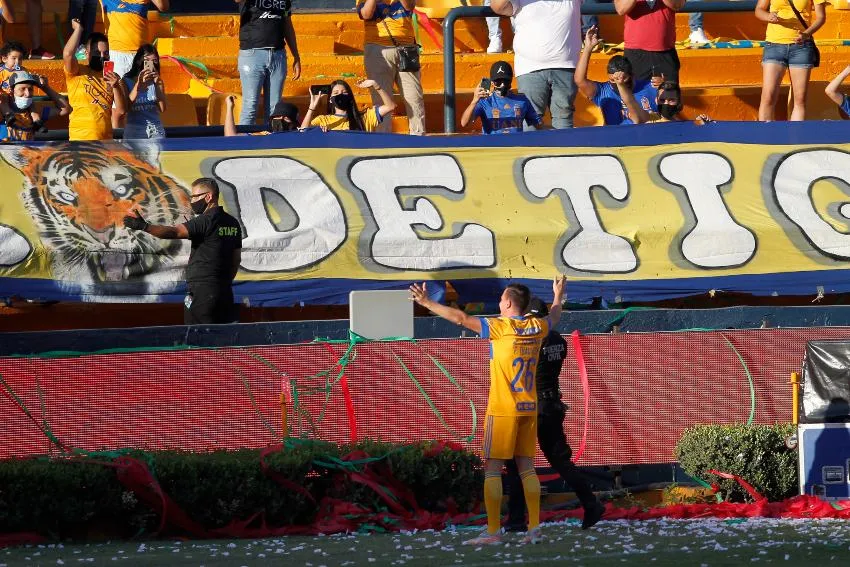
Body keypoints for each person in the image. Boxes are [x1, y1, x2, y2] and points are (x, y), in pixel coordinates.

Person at [409, 277, 568, 545]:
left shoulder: (499, 327)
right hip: (529, 408)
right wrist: (558, 295)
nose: (498, 303)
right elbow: (554, 315)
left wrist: (427, 303)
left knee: (493, 468)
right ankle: (534, 529)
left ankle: (493, 531)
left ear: (507, 303)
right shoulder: (537, 326)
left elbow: (460, 318)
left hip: (503, 409)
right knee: (527, 467)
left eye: (500, 299)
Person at [503, 297, 605, 532]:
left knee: (517, 465)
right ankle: (591, 504)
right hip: (551, 406)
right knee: (561, 461)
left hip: (530, 407)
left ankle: (517, 519)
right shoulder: (558, 339)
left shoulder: (527, 338)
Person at [123, 178, 243, 325]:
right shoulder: (233, 223)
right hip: (224, 291)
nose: (192, 201)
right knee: (223, 338)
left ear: (209, 196)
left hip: (202, 291)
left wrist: (143, 226)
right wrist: (223, 283)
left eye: (195, 196)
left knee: (197, 339)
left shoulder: (206, 220)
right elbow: (236, 259)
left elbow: (174, 232)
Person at [489, 0, 582, 129]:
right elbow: (497, 6)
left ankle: (563, 149)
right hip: (530, 67)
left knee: (564, 116)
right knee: (530, 119)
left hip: (565, 65)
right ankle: (531, 150)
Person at [356, 0, 425, 135]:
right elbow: (366, 14)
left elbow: (409, 6)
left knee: (415, 98)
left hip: (406, 49)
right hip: (377, 49)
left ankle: (419, 137)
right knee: (381, 99)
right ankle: (383, 141)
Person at [100, 0, 169, 128]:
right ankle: (118, 145)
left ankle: (145, 135)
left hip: (142, 56)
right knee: (118, 110)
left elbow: (163, 6)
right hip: (116, 55)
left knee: (148, 99)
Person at [756, 0, 825, 121]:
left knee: (799, 99)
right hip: (774, 44)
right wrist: (768, 16)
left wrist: (806, 34)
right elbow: (759, 10)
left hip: (801, 46)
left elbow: (821, 17)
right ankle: (765, 137)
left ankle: (796, 137)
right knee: (768, 96)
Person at [235, 0, 301, 126]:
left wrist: (296, 56)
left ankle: (271, 143)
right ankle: (243, 144)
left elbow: (287, 24)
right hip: (252, 53)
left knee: (275, 109)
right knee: (250, 106)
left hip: (278, 54)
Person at [575, 27, 656, 125]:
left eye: (623, 78)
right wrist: (588, 48)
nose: (618, 82)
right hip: (615, 136)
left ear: (632, 75)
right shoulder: (603, 91)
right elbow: (579, 80)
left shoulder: (652, 86)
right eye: (613, 80)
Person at [63, 20, 126, 141]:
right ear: (87, 53)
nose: (102, 57)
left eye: (106, 53)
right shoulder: (77, 72)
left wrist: (116, 86)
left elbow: (121, 111)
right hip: (80, 139)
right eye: (97, 52)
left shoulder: (114, 77)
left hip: (106, 142)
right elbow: (67, 54)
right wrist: (78, 30)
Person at [460, 60, 541, 134]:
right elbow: (464, 123)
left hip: (516, 147)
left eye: (505, 81)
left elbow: (538, 125)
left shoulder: (522, 100)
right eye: (498, 81)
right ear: (492, 82)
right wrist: (474, 101)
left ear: (511, 80)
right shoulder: (485, 102)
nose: (502, 85)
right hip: (492, 147)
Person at [614, 0, 685, 83]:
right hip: (635, 53)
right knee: (636, 94)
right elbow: (621, 9)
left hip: (665, 52)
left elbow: (677, 5)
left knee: (669, 94)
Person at [300, 79, 396, 132]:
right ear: (330, 99)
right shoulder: (323, 120)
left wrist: (376, 85)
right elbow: (302, 132)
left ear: (350, 96)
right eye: (336, 93)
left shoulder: (365, 117)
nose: (340, 95)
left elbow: (390, 106)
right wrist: (312, 107)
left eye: (344, 92)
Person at [1, 71, 71, 141]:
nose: (27, 94)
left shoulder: (36, 111)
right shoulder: (2, 110)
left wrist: (45, 87)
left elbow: (65, 109)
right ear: (12, 90)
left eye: (30, 89)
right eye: (22, 89)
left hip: (28, 151)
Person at [119, 43, 166, 140]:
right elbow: (126, 107)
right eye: (146, 61)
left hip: (155, 129)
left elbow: (162, 108)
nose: (151, 64)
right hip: (134, 129)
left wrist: (157, 85)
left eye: (154, 61)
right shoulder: (126, 80)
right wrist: (138, 84)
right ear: (138, 61)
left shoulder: (157, 81)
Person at [224, 95, 300, 135]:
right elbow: (231, 135)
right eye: (277, 117)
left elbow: (304, 130)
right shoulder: (264, 135)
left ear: (293, 124)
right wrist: (229, 107)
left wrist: (312, 107)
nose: (280, 120)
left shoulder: (297, 135)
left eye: (286, 118)